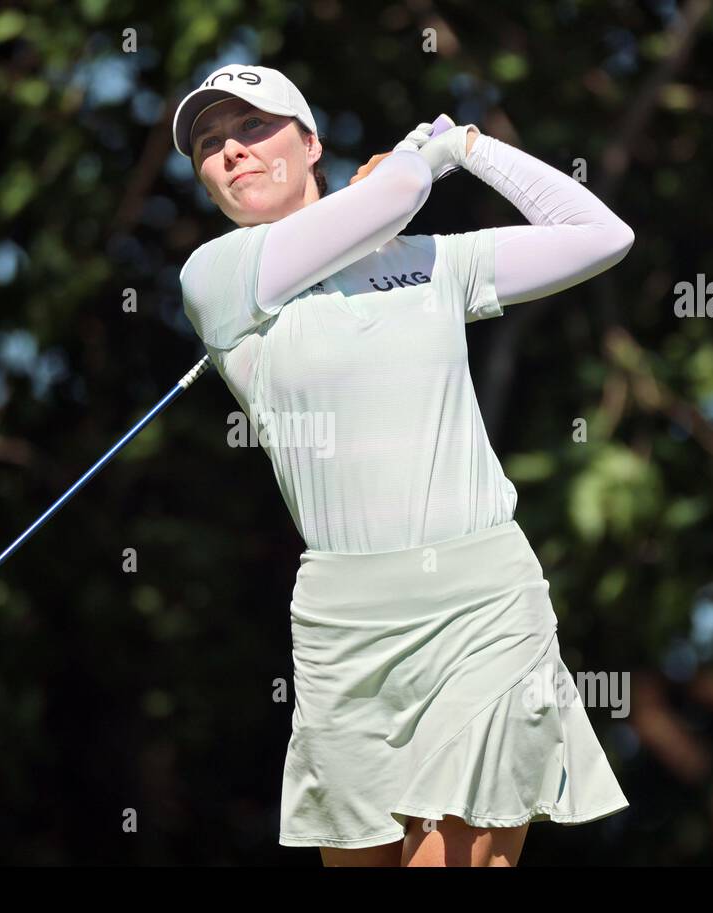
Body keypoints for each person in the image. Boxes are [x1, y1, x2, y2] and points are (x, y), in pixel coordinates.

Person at [173, 64, 633, 867]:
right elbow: (388, 198)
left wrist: (469, 147)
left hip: (481, 604)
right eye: (211, 145)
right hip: (344, 627)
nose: (232, 153)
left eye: (252, 129)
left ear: (310, 144)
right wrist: (419, 161)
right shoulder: (217, 277)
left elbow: (602, 237)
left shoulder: (428, 261)